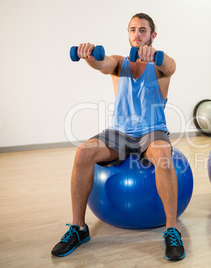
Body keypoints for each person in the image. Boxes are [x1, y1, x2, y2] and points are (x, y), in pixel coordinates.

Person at [51, 13, 185, 261]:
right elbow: (102, 64)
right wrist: (91, 56)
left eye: (143, 30)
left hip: (152, 131)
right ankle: (79, 228)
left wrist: (157, 56)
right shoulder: (119, 62)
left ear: (152, 35)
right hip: (120, 132)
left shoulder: (159, 67)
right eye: (133, 30)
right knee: (83, 152)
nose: (137, 34)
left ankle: (171, 230)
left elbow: (171, 66)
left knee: (164, 156)